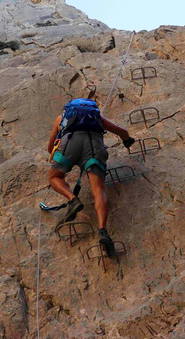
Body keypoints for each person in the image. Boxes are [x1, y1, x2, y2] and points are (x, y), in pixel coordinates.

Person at [46, 99, 135, 255]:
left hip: (70, 142)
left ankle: (72, 199)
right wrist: (128, 141)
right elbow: (123, 132)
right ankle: (103, 231)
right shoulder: (97, 118)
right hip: (94, 146)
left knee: (55, 177)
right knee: (98, 190)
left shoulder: (62, 118)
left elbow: (49, 148)